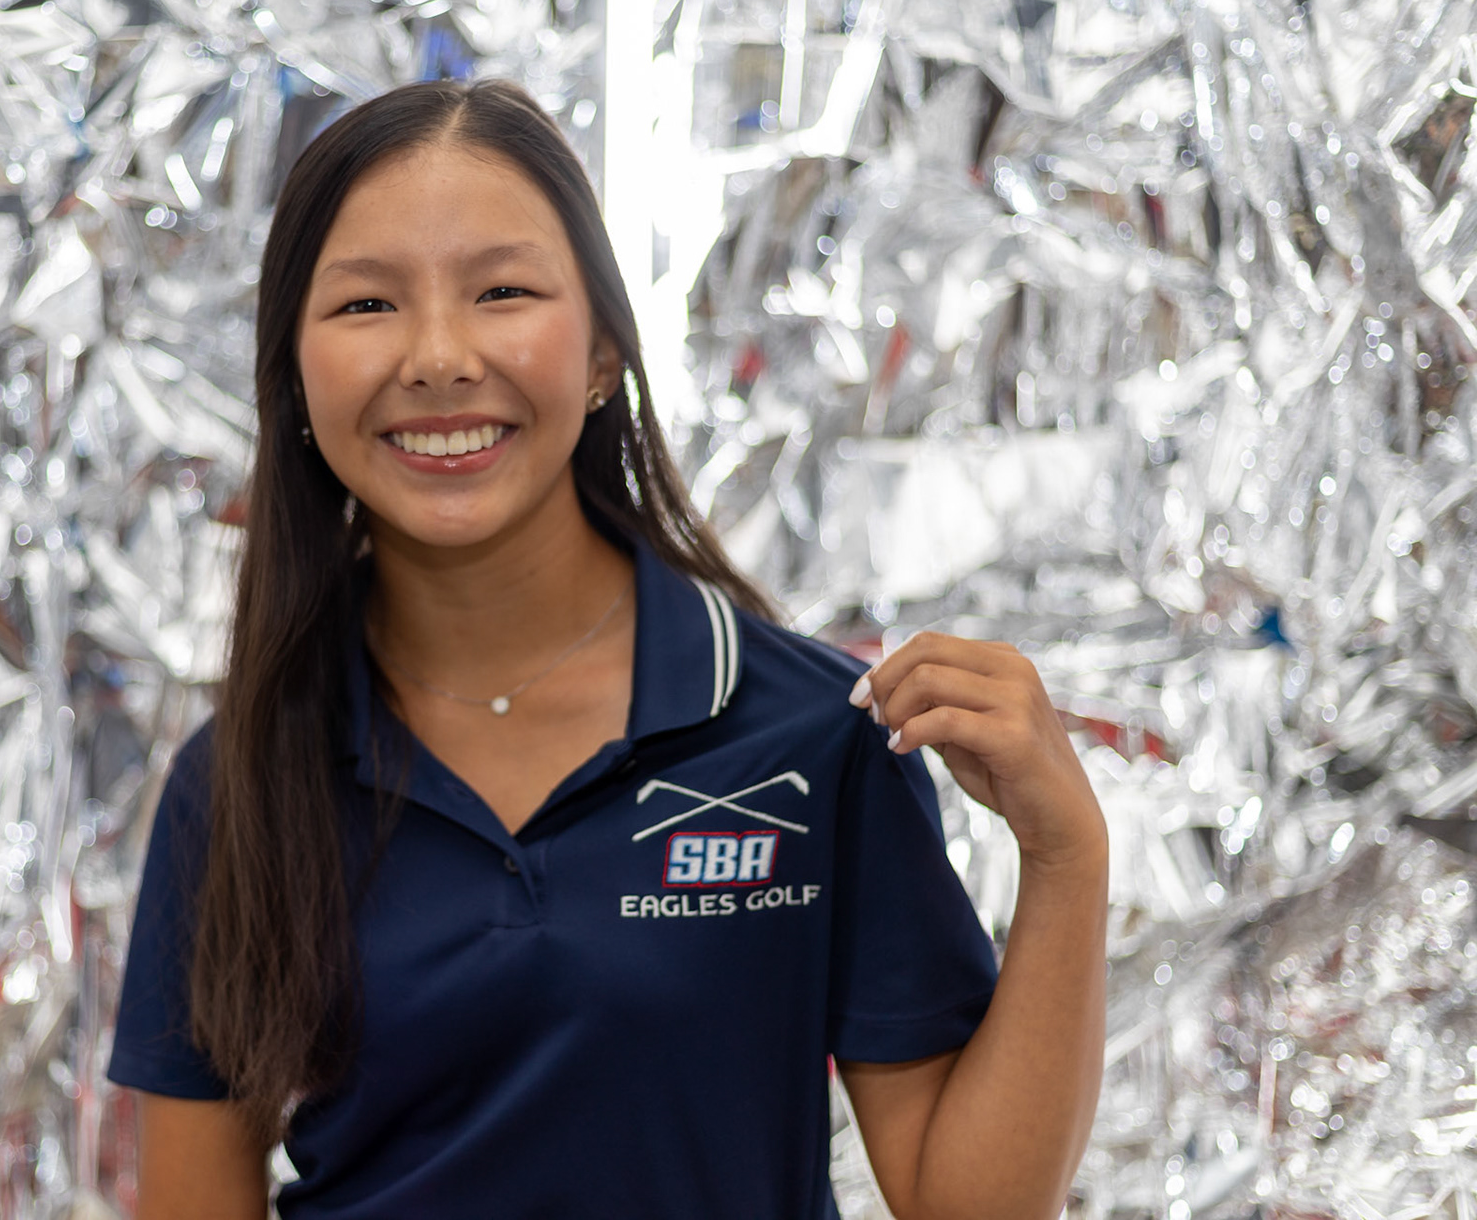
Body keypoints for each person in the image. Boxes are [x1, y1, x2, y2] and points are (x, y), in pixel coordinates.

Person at [109, 79, 1107, 1220]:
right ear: (293, 376)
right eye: (367, 305)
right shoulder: (237, 779)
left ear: (600, 356)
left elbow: (966, 1204)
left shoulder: (811, 734)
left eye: (502, 290)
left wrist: (1066, 853)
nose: (438, 355)